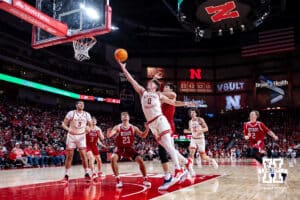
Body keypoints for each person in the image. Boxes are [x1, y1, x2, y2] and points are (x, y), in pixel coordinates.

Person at [118, 62, 193, 189]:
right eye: (149, 82)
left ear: (155, 87)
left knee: (168, 145)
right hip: (152, 125)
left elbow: (173, 102)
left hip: (160, 120)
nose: (149, 84)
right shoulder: (142, 92)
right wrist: (123, 68)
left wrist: (187, 104)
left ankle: (178, 170)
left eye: (152, 83)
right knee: (167, 147)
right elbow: (131, 80)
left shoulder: (159, 95)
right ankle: (186, 163)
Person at [152, 78, 195, 190]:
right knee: (169, 149)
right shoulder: (164, 98)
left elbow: (171, 97)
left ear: (170, 89)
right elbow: (175, 103)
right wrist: (186, 103)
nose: (164, 88)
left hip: (168, 125)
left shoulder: (171, 94)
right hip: (161, 124)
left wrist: (154, 91)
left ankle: (178, 170)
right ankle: (186, 162)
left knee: (164, 150)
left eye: (166, 87)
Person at [107, 112, 151, 188]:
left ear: (129, 118)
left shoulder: (133, 127)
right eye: (123, 116)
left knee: (140, 160)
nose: (125, 117)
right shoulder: (117, 127)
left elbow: (143, 136)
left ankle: (145, 179)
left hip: (129, 148)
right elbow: (110, 135)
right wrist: (109, 134)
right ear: (121, 118)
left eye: (126, 115)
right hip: (120, 148)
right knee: (113, 158)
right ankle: (118, 180)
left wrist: (147, 128)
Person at [61, 101, 92, 181]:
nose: (81, 105)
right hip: (71, 136)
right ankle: (66, 174)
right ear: (76, 105)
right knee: (69, 156)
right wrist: (68, 129)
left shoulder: (87, 114)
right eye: (80, 104)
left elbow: (91, 125)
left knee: (83, 155)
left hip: (81, 136)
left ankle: (87, 173)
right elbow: (63, 124)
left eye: (83, 104)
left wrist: (89, 128)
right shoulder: (71, 113)